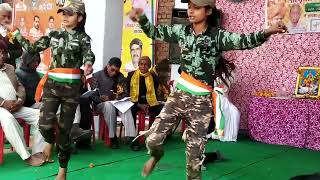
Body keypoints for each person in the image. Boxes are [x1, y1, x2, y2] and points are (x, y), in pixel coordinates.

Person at [129, 0, 287, 178]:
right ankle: (156, 156)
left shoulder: (217, 36)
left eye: (196, 8)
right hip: (179, 96)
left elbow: (244, 41)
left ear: (209, 11)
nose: (191, 11)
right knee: (152, 140)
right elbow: (154, 32)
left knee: (194, 158)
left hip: (201, 102)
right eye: (189, 7)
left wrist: (269, 30)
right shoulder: (182, 31)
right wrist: (141, 17)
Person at [7, 1, 95, 179]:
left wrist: (88, 64)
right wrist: (15, 32)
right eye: (63, 13)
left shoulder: (83, 38)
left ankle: (62, 171)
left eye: (69, 14)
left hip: (71, 90)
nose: (64, 17)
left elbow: (88, 54)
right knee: (44, 125)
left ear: (79, 18)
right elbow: (32, 48)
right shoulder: (53, 34)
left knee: (64, 131)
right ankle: (49, 141)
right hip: (52, 87)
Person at [0, 39, 48, 167]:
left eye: (3, 52)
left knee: (41, 116)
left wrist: (20, 100)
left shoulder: (10, 67)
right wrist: (3, 103)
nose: (2, 55)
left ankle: (38, 152)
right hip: (1, 108)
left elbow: (20, 86)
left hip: (15, 107)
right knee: (9, 119)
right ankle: (26, 156)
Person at [78, 57, 138, 150]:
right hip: (100, 104)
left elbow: (125, 93)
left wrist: (116, 97)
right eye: (112, 69)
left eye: (116, 71)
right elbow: (93, 95)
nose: (114, 73)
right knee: (108, 105)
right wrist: (100, 98)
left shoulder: (120, 76)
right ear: (108, 66)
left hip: (117, 103)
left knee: (126, 107)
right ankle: (113, 137)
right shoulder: (96, 76)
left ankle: (132, 138)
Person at [206, 57, 240, 142]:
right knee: (227, 113)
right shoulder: (214, 72)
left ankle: (226, 134)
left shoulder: (226, 73)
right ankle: (219, 133)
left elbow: (227, 86)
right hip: (216, 96)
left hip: (222, 96)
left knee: (235, 112)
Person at [127, 56, 164, 131]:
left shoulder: (153, 77)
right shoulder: (131, 75)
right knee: (130, 109)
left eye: (146, 64)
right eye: (141, 64)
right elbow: (128, 94)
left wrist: (148, 105)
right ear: (138, 65)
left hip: (149, 103)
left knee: (163, 108)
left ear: (149, 66)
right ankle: (132, 135)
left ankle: (153, 132)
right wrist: (139, 105)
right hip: (135, 103)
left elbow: (155, 95)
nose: (143, 66)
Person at [0, 3, 23, 68]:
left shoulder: (15, 31)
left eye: (9, 17)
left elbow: (20, 51)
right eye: (4, 16)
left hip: (10, 69)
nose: (7, 19)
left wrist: (8, 54)